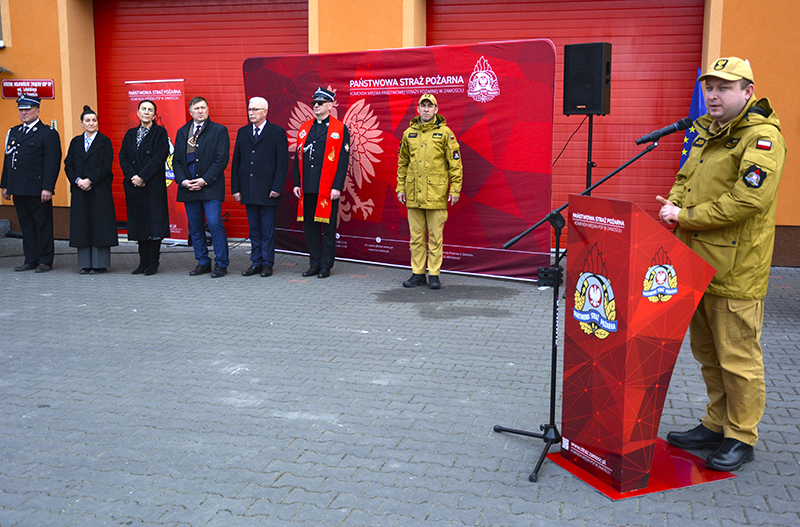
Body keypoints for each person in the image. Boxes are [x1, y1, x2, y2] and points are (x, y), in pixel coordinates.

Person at [657, 57, 786, 471]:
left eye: (724, 87)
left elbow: (750, 200)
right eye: (709, 87)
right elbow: (685, 177)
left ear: (748, 92)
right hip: (695, 262)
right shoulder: (707, 133)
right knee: (708, 353)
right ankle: (715, 424)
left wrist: (686, 218)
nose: (713, 94)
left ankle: (741, 435)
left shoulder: (762, 138)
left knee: (738, 358)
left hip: (735, 268)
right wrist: (675, 202)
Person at [396, 93, 463, 290]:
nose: (425, 109)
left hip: (436, 194)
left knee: (435, 237)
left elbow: (455, 164)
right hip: (414, 194)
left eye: (429, 106)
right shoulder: (409, 133)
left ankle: (434, 274)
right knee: (416, 238)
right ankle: (417, 273)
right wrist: (401, 187)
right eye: (422, 106)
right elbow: (402, 163)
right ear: (418, 109)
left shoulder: (445, 133)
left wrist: (456, 189)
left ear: (436, 110)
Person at [292, 87, 350, 279]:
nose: (316, 106)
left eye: (320, 103)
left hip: (327, 187)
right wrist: (296, 183)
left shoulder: (339, 128)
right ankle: (314, 264)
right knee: (310, 227)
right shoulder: (305, 128)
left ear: (330, 105)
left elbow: (343, 160)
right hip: (308, 186)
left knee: (328, 227)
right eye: (314, 103)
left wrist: (337, 186)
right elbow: (297, 158)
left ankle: (326, 266)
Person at [1, 95, 62, 273]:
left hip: (37, 189)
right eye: (21, 110)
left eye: (27, 109)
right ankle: (30, 259)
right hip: (18, 187)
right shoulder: (14, 132)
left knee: (42, 225)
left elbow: (52, 163)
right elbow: (8, 159)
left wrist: (48, 187)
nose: (24, 113)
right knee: (26, 226)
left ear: (38, 111)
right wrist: (5, 184)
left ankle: (45, 260)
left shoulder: (47, 133)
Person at [173, 97, 231, 278]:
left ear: (208, 109)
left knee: (214, 223)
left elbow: (221, 159)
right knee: (196, 227)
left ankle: (221, 263)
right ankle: (203, 262)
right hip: (188, 186)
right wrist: (182, 180)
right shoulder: (182, 132)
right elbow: (176, 161)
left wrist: (204, 180)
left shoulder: (219, 131)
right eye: (196, 108)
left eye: (203, 108)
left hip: (210, 186)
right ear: (190, 112)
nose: (200, 111)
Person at [231, 97, 288, 277]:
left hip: (269, 190)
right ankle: (255, 263)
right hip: (249, 189)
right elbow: (237, 162)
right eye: (249, 109)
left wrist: (277, 187)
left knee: (268, 230)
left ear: (265, 112)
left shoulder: (277, 132)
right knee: (254, 230)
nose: (251, 113)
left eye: (255, 109)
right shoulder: (243, 132)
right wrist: (236, 188)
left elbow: (282, 163)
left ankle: (267, 263)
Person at [119, 99, 170, 275]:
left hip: (152, 185)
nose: (146, 112)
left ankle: (153, 262)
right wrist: (133, 176)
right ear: (138, 113)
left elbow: (159, 157)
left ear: (155, 115)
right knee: (140, 225)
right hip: (135, 186)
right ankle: (142, 262)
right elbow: (123, 157)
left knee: (154, 225)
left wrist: (142, 176)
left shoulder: (160, 133)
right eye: (143, 109)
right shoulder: (130, 134)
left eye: (150, 110)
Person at [64, 105, 118, 274]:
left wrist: (90, 180)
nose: (91, 123)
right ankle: (85, 264)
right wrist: (78, 180)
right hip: (80, 190)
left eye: (94, 120)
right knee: (82, 226)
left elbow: (106, 166)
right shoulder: (75, 142)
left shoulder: (105, 141)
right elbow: (69, 164)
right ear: (81, 123)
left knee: (99, 226)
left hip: (98, 190)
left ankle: (100, 264)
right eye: (87, 120)